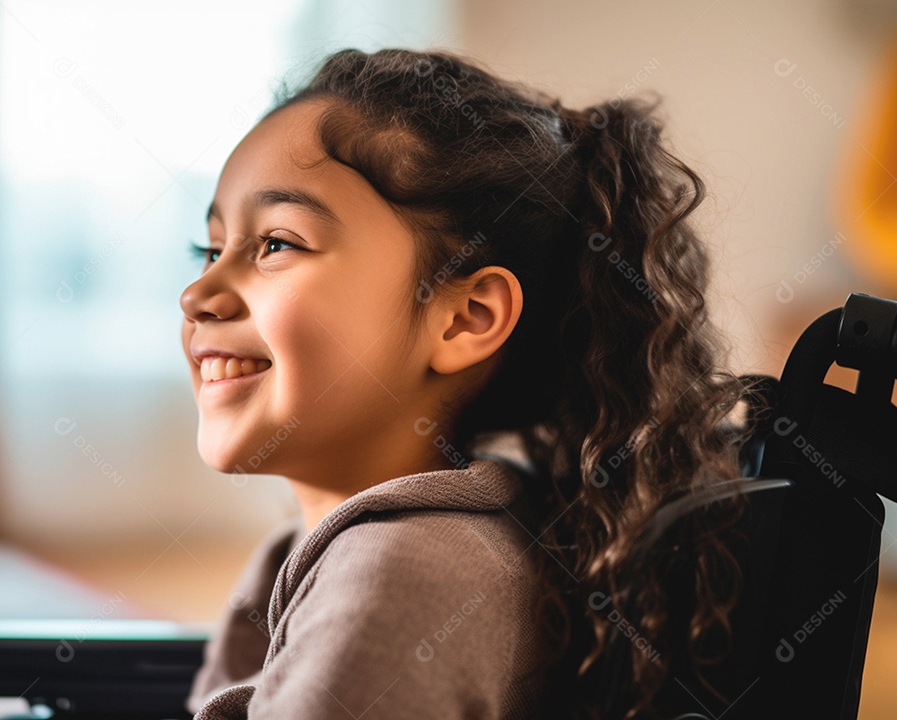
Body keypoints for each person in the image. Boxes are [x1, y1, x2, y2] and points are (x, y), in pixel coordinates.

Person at [179, 47, 759, 720]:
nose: (199, 293)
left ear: (464, 318)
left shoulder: (402, 571)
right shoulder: (332, 554)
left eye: (277, 243)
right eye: (211, 250)